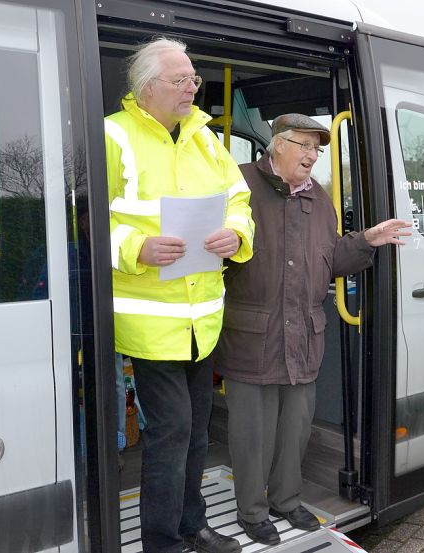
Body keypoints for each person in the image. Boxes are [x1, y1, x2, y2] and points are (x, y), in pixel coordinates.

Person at [212, 114, 410, 545]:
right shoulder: (238, 183)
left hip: (303, 336)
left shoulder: (320, 198)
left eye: (317, 149)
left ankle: (286, 498)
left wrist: (366, 241)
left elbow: (331, 260)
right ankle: (252, 510)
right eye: (303, 145)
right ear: (277, 144)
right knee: (253, 434)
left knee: (295, 429)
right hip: (253, 336)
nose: (311, 155)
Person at [104, 37, 255, 553]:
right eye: (181, 80)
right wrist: (136, 248)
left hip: (202, 320)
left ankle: (192, 527)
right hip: (150, 325)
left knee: (196, 435)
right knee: (172, 436)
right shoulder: (114, 135)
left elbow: (240, 201)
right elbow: (82, 222)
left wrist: (237, 236)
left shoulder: (207, 140)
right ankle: (162, 542)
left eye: (194, 79)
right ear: (147, 87)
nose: (192, 88)